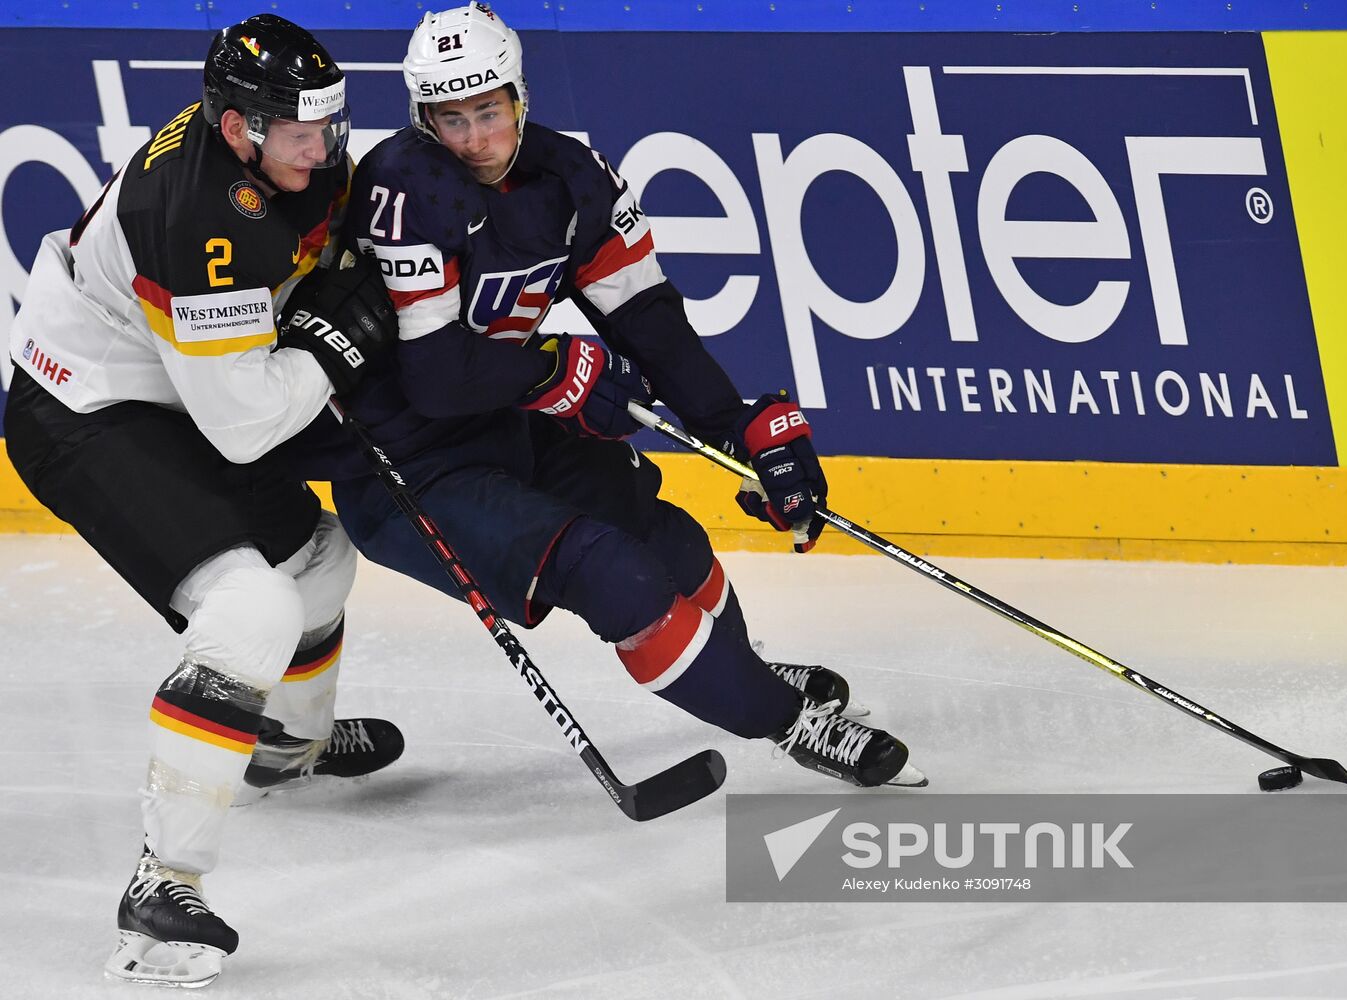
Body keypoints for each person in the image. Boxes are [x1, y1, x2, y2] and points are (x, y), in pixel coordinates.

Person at [324, 2, 926, 793]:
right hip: (407, 465)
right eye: (450, 117)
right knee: (613, 573)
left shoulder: (572, 175)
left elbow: (648, 321)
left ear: (519, 97)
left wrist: (744, 427)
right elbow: (438, 377)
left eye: (488, 110)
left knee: (666, 539)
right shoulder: (403, 189)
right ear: (420, 116)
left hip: (503, 423)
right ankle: (791, 722)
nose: (474, 138)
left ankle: (739, 671)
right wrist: (550, 369)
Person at [5, 14, 404, 988]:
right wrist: (331, 344)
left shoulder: (287, 155)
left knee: (319, 562)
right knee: (250, 609)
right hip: (83, 408)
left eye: (331, 122)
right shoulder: (200, 215)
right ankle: (160, 887)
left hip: (169, 386)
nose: (326, 146)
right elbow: (244, 428)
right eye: (301, 129)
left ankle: (282, 745)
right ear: (236, 128)